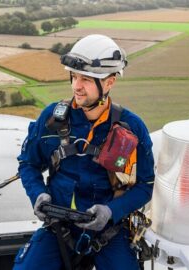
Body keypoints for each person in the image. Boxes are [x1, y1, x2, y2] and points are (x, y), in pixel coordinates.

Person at [14, 34, 155, 270]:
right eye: (74, 76)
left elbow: (145, 185)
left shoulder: (132, 128)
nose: (76, 86)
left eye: (86, 79)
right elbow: (28, 164)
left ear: (109, 82)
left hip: (109, 232)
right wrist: (37, 194)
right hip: (58, 226)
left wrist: (111, 211)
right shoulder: (51, 120)